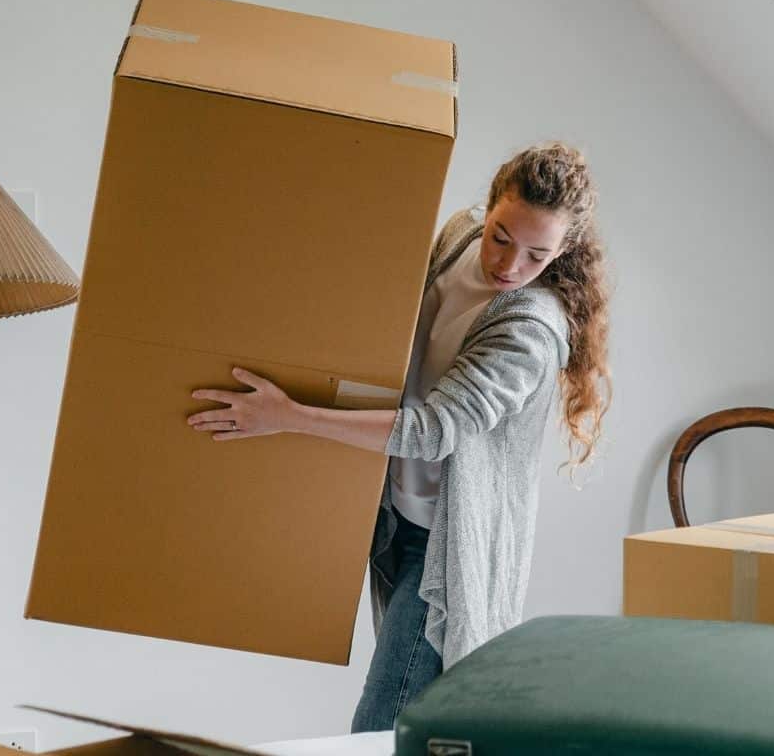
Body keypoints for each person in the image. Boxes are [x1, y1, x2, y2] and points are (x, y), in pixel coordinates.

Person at [186, 142, 612, 731]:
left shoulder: (529, 332)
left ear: (563, 251)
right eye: (501, 237)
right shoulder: (457, 239)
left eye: (538, 254)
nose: (510, 266)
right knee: (424, 727)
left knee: (385, 724)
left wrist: (289, 416)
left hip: (449, 547)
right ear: (486, 211)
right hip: (394, 517)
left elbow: (433, 430)